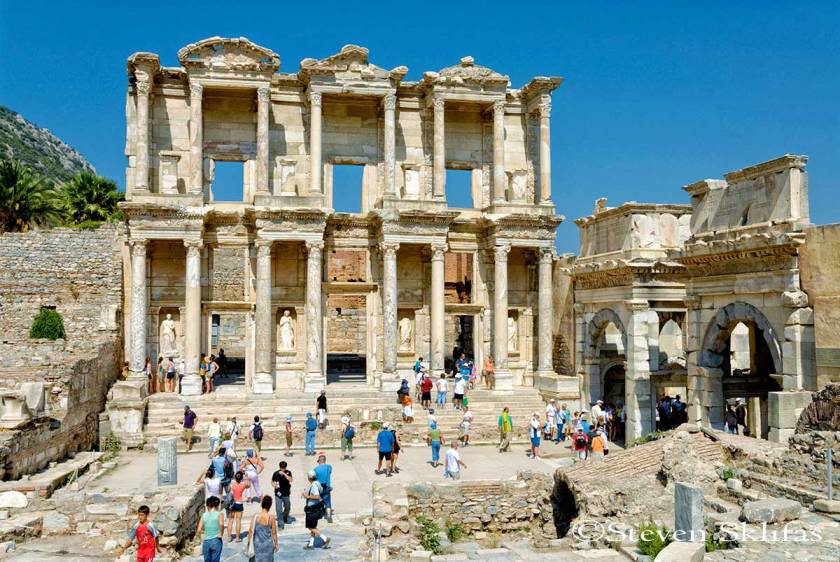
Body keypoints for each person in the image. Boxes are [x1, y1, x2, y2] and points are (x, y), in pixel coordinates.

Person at [302, 470, 330, 549]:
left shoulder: (314, 485)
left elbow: (317, 496)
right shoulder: (318, 483)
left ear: (309, 477)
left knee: (311, 527)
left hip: (312, 509)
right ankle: (311, 544)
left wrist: (308, 496)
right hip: (317, 507)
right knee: (313, 526)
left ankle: (325, 539)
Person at [246, 495, 279, 561]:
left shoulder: (255, 516)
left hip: (257, 545)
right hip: (268, 545)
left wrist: (249, 542)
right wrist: (276, 543)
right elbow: (274, 533)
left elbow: (250, 531)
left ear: (262, 504)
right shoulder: (271, 518)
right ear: (270, 505)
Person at [195, 497, 224, 562]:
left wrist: (200, 538)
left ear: (208, 505)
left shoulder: (204, 515)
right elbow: (221, 524)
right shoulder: (220, 514)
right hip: (216, 540)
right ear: (217, 505)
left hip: (206, 542)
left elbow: (198, 530)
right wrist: (221, 533)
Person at [227, 471, 251, 542]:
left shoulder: (232, 484)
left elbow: (228, 490)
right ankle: (237, 538)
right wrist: (246, 477)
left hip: (232, 503)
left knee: (230, 521)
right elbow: (249, 485)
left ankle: (229, 537)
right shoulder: (243, 485)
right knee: (238, 521)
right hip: (239, 503)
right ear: (241, 478)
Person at [271, 460, 293, 530]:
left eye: (283, 467)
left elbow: (290, 479)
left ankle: (285, 516)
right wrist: (274, 485)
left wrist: (284, 474)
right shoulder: (276, 473)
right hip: (278, 493)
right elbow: (272, 481)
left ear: (285, 467)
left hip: (286, 493)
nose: (282, 469)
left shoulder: (288, 472)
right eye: (281, 467)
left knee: (287, 507)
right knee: (278, 509)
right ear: (279, 467)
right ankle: (280, 524)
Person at [313, 452, 334, 522]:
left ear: (319, 461)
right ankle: (328, 516)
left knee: (318, 501)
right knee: (327, 502)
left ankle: (318, 515)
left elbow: (313, 477)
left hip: (319, 488)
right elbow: (330, 472)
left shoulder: (315, 469)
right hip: (327, 487)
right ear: (325, 460)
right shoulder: (329, 467)